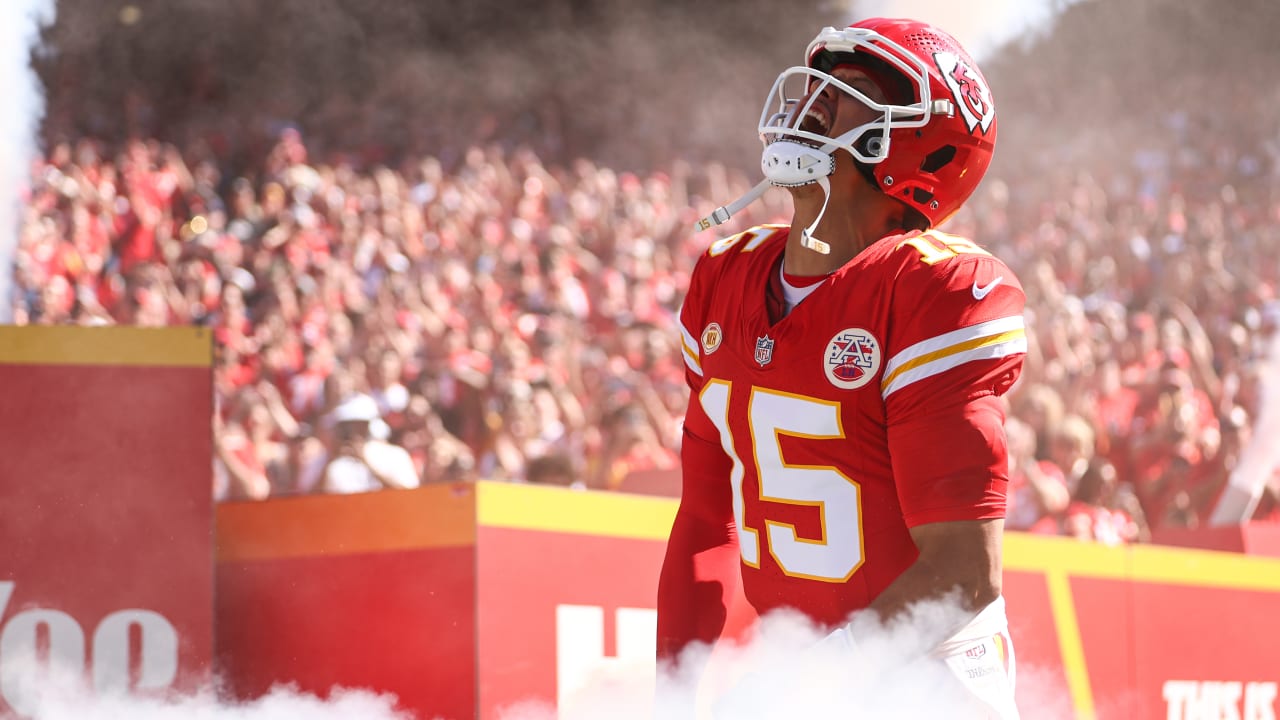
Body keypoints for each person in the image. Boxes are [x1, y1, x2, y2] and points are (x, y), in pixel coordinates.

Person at [657, 17, 1025, 718]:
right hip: (803, 677)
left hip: (928, 688)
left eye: (849, 88)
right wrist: (669, 698)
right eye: (820, 82)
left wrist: (806, 689)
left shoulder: (935, 292)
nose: (812, 100)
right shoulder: (724, 277)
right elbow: (705, 520)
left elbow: (961, 575)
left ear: (924, 148)